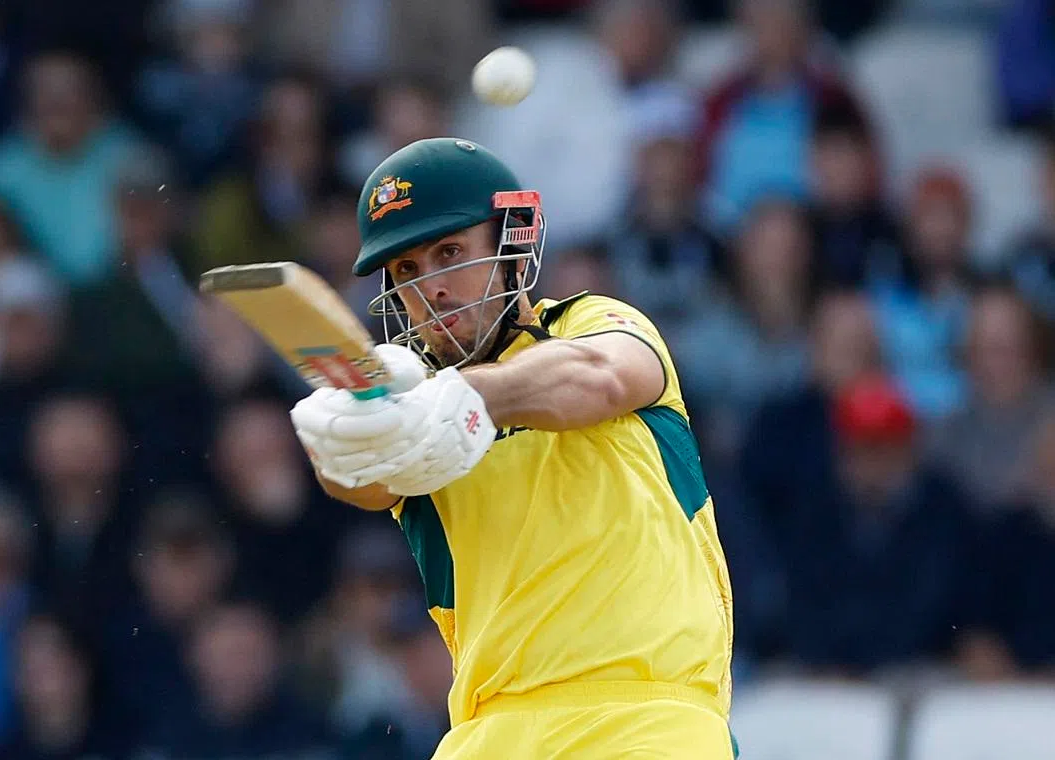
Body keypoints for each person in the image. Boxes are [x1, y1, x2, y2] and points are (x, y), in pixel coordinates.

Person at [290, 138, 736, 758]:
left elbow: (601, 378)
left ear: (510, 245)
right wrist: (341, 437)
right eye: (407, 273)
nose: (432, 290)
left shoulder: (593, 325)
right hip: (488, 732)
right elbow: (364, 485)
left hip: (646, 718)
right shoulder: (411, 408)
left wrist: (461, 396)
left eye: (450, 254)